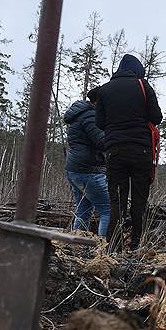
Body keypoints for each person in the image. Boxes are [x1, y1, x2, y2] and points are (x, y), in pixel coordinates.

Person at [92, 54, 162, 250]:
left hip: (115, 151)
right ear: (137, 70)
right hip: (142, 151)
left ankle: (113, 248)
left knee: (116, 201)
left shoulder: (104, 90)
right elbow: (157, 117)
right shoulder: (143, 86)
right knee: (139, 202)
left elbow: (99, 123)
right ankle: (136, 245)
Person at [64, 97, 110, 236]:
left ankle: (76, 246)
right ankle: (104, 250)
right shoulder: (90, 115)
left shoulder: (78, 116)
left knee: (83, 210)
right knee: (108, 210)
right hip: (89, 170)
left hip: (74, 169)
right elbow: (102, 142)